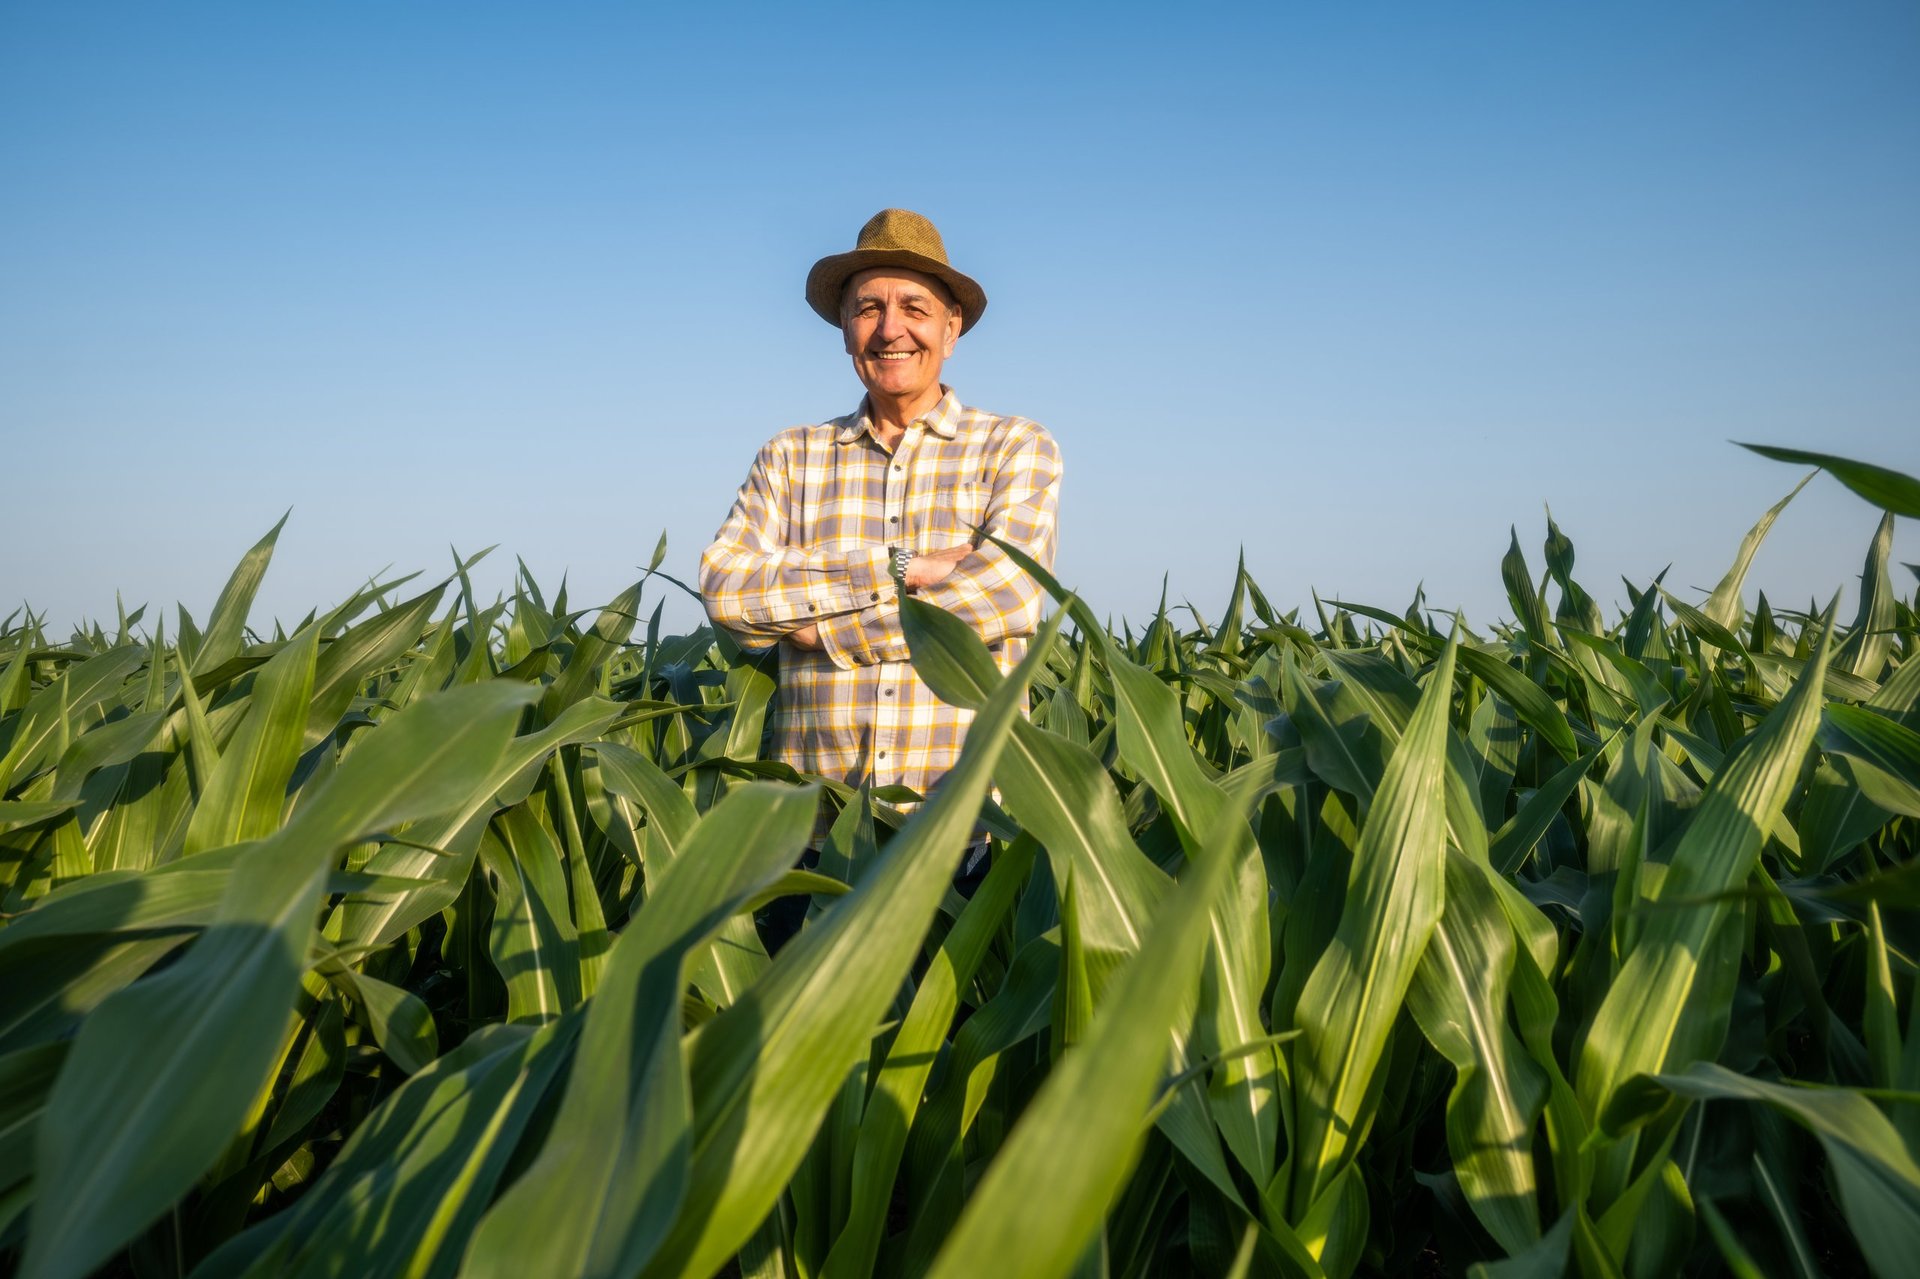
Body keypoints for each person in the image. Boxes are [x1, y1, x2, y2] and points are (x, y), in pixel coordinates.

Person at [699, 208, 1061, 910]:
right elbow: (726, 588)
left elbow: (1006, 594)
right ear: (845, 328)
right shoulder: (791, 457)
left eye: (914, 308)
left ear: (951, 328)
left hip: (963, 844)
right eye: (868, 308)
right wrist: (905, 568)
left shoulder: (1015, 447)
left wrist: (822, 629)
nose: (890, 329)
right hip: (810, 844)